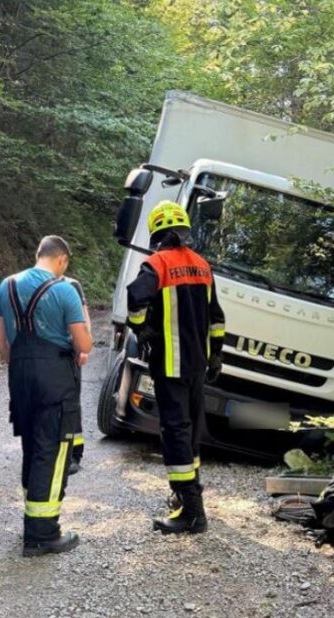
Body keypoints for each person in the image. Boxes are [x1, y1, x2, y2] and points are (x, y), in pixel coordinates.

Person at [126, 201, 225, 534]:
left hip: (170, 364)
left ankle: (192, 513)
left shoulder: (156, 264)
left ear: (158, 234)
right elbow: (217, 318)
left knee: (175, 431)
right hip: (198, 364)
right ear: (184, 231)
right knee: (192, 428)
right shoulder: (202, 265)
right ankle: (188, 495)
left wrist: (142, 328)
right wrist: (216, 356)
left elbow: (135, 298)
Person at [0, 235, 92, 556]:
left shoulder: (5, 286)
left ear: (39, 255)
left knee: (31, 446)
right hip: (54, 378)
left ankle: (31, 519)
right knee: (53, 450)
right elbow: (84, 345)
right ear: (62, 260)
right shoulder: (64, 290)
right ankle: (42, 533)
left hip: (19, 376)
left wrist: (21, 362)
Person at [63, 275, 90, 475]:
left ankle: (74, 453)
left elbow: (83, 316)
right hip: (43, 353)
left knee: (70, 401)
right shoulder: (35, 283)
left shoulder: (72, 285)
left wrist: (84, 347)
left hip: (68, 351)